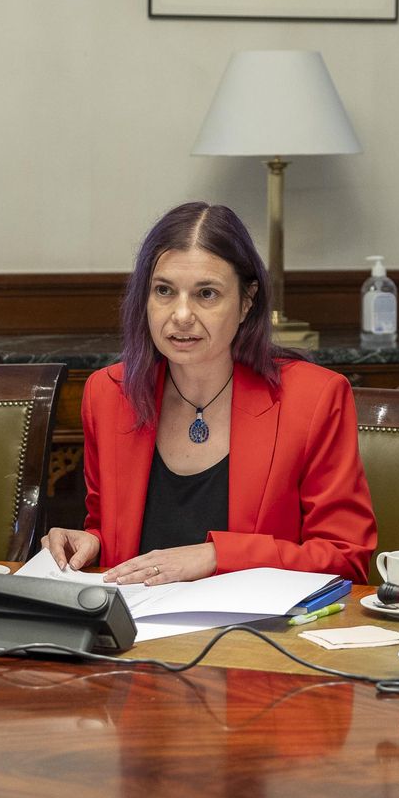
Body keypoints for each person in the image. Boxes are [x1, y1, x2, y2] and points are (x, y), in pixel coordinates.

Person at [42, 202, 376, 584]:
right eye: (164, 290)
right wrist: (89, 542)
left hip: (254, 634)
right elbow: (111, 532)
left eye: (206, 294)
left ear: (247, 301)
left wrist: (218, 556)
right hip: (134, 632)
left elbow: (345, 557)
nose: (181, 315)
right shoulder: (109, 394)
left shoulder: (314, 398)